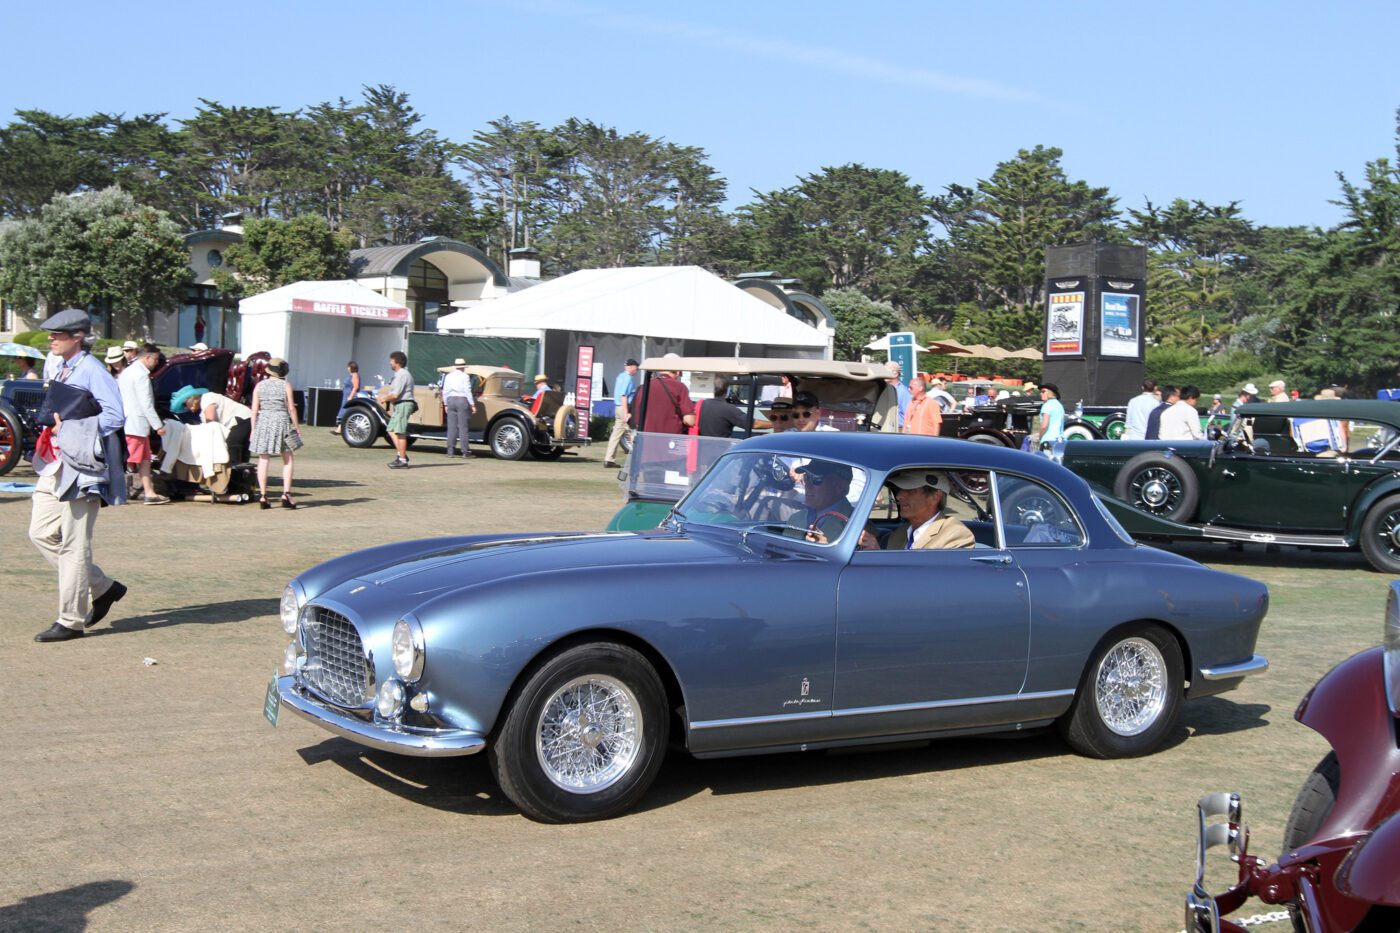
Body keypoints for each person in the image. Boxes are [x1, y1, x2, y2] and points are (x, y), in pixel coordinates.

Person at [29, 308, 128, 642]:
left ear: (78, 337)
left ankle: (71, 620)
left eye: (58, 334)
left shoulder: (92, 370)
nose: (51, 338)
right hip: (56, 461)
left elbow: (115, 416)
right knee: (40, 533)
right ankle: (102, 587)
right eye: (52, 334)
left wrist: (71, 429)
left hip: (83, 467)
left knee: (74, 544)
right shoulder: (58, 364)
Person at [858, 472, 975, 550]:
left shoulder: (956, 535)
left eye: (910, 491)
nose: (899, 496)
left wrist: (879, 558)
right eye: (899, 490)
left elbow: (938, 578)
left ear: (935, 496)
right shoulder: (899, 534)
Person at [118, 343, 169, 505]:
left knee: (144, 459)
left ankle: (149, 492)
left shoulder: (127, 372)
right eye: (155, 359)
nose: (156, 363)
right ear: (147, 358)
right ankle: (119, 491)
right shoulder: (141, 375)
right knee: (129, 460)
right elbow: (145, 403)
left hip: (129, 422)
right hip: (136, 424)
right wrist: (157, 425)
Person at [249, 357, 300, 508]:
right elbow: (291, 408)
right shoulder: (286, 385)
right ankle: (286, 494)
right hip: (281, 421)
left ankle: (263, 496)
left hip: (264, 421)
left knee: (263, 458)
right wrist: (297, 427)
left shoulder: (259, 386)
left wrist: (253, 429)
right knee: (288, 458)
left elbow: (254, 409)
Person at [791, 461, 855, 544]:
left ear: (839, 486)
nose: (807, 485)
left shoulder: (858, 525)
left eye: (816, 479)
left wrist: (825, 547)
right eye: (806, 477)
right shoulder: (796, 518)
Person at [631, 357, 694, 434]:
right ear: (677, 372)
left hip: (647, 437)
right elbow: (690, 420)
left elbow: (637, 419)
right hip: (671, 438)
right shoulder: (679, 387)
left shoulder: (643, 387)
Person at [378, 350, 415, 469]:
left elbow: (395, 394)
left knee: (400, 432)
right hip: (400, 405)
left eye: (391, 361)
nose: (390, 363)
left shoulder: (402, 375)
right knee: (391, 430)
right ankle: (402, 454)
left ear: (397, 362)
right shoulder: (399, 374)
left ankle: (402, 461)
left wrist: (384, 398)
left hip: (403, 404)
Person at [603, 358, 639, 468]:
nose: (637, 370)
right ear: (630, 367)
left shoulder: (620, 376)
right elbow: (624, 396)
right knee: (632, 433)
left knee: (616, 434)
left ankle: (609, 459)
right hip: (624, 408)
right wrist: (627, 412)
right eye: (636, 368)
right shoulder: (628, 378)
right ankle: (638, 460)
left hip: (618, 407)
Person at [441, 357, 476, 458]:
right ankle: (465, 451)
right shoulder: (465, 376)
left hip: (451, 400)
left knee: (451, 427)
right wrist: (472, 404)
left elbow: (445, 391)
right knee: (463, 427)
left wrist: (445, 404)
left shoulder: (449, 376)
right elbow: (467, 391)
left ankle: (450, 451)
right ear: (463, 367)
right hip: (462, 400)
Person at [330, 361, 360, 437]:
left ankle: (340, 430)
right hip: (345, 396)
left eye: (348, 367)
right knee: (344, 412)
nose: (347, 368)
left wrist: (351, 396)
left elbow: (355, 387)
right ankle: (339, 429)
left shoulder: (355, 375)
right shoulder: (351, 375)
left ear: (351, 367)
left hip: (349, 397)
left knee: (345, 412)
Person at [1035, 383, 1066, 447]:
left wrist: (1039, 437)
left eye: (1043, 391)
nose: (1041, 393)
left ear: (1050, 393)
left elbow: (1044, 426)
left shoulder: (1047, 405)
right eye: (1040, 392)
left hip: (1048, 441)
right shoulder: (1059, 405)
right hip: (1061, 440)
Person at [885, 361, 911, 428]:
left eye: (886, 371)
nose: (883, 374)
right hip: (885, 429)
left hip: (899, 430)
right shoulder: (885, 390)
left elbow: (909, 415)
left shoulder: (903, 392)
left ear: (896, 374)